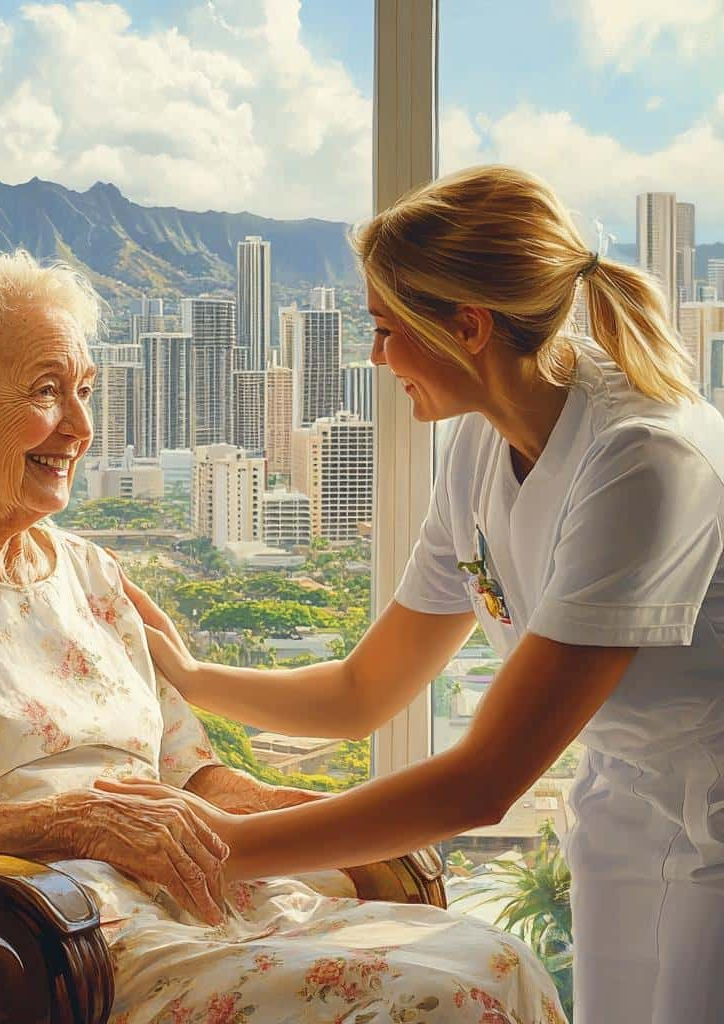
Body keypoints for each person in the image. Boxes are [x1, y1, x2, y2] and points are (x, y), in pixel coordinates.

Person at [0, 250, 563, 1023]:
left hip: (202, 895)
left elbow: (194, 780)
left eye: (86, 392)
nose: (82, 427)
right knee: (436, 999)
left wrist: (317, 815)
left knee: (498, 961)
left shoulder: (91, 573)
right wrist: (71, 822)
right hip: (46, 935)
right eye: (47, 392)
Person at [104, 165, 724, 1024]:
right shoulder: (479, 446)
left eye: (386, 329)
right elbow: (366, 692)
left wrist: (198, 851)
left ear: (467, 326)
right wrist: (190, 675)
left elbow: (480, 785)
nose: (373, 356)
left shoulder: (646, 460)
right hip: (624, 803)